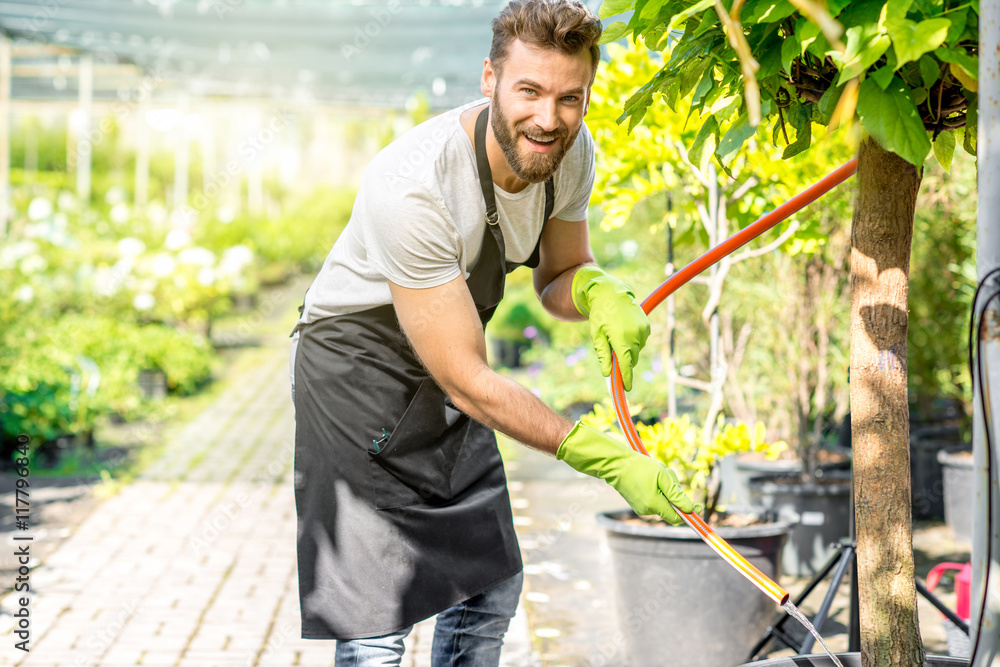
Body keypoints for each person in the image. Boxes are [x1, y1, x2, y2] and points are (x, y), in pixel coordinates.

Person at [289, 1, 697, 664]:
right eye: (529, 91)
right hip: (356, 370)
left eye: (571, 98)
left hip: (448, 353)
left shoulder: (569, 151)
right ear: (489, 79)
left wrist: (595, 288)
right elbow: (468, 381)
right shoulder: (414, 184)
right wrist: (603, 456)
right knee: (375, 613)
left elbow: (558, 273)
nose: (549, 118)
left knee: (488, 582)